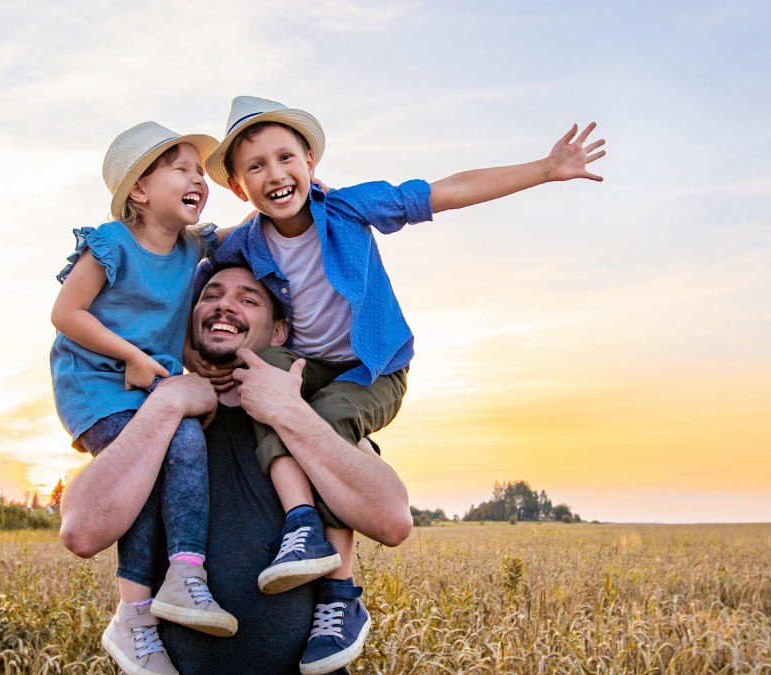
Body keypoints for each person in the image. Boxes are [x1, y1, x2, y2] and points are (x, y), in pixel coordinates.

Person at [191, 95, 607, 672]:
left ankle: (339, 591)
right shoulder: (244, 242)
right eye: (255, 166)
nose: (274, 174)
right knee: (266, 391)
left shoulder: (351, 210)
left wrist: (543, 169)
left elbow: (446, 190)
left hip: (372, 367)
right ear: (239, 187)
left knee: (327, 424)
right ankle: (301, 525)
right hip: (307, 363)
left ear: (309, 160)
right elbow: (182, 273)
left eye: (285, 156)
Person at [60, 264, 414, 675]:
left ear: (279, 333)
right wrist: (168, 404)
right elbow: (81, 532)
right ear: (189, 320)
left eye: (248, 300)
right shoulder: (151, 418)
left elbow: (392, 522)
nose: (225, 306)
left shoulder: (315, 418)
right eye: (210, 296)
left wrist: (289, 412)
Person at [49, 121, 236, 675]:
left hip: (149, 388)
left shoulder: (193, 247)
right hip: (95, 384)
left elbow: (252, 227)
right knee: (156, 456)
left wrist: (297, 190)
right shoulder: (112, 244)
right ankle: (137, 611)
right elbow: (66, 313)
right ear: (139, 190)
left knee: (170, 449)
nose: (198, 179)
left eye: (201, 172)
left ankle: (179, 577)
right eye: (182, 168)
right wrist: (130, 354)